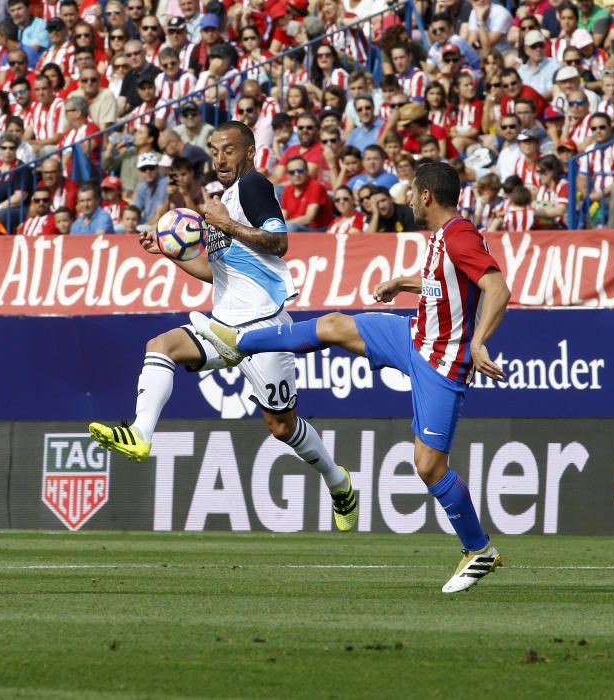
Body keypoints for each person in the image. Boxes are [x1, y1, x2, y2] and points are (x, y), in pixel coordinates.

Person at [190, 160, 510, 593]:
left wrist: (478, 342)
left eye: (412, 193)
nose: (408, 199)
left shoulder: (459, 234)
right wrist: (402, 282)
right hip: (413, 336)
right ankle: (238, 341)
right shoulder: (444, 236)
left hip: (443, 363)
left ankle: (479, 550)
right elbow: (444, 281)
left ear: (428, 196)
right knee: (335, 325)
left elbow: (496, 287)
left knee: (429, 466)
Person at [89, 120, 358, 533]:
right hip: (225, 324)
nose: (219, 158)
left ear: (249, 153)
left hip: (265, 327)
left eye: (228, 150)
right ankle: (141, 434)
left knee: (282, 427)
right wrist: (168, 250)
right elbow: (219, 275)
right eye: (214, 150)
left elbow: (280, 241)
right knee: (161, 345)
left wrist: (224, 222)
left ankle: (338, 483)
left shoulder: (253, 188)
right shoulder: (225, 200)